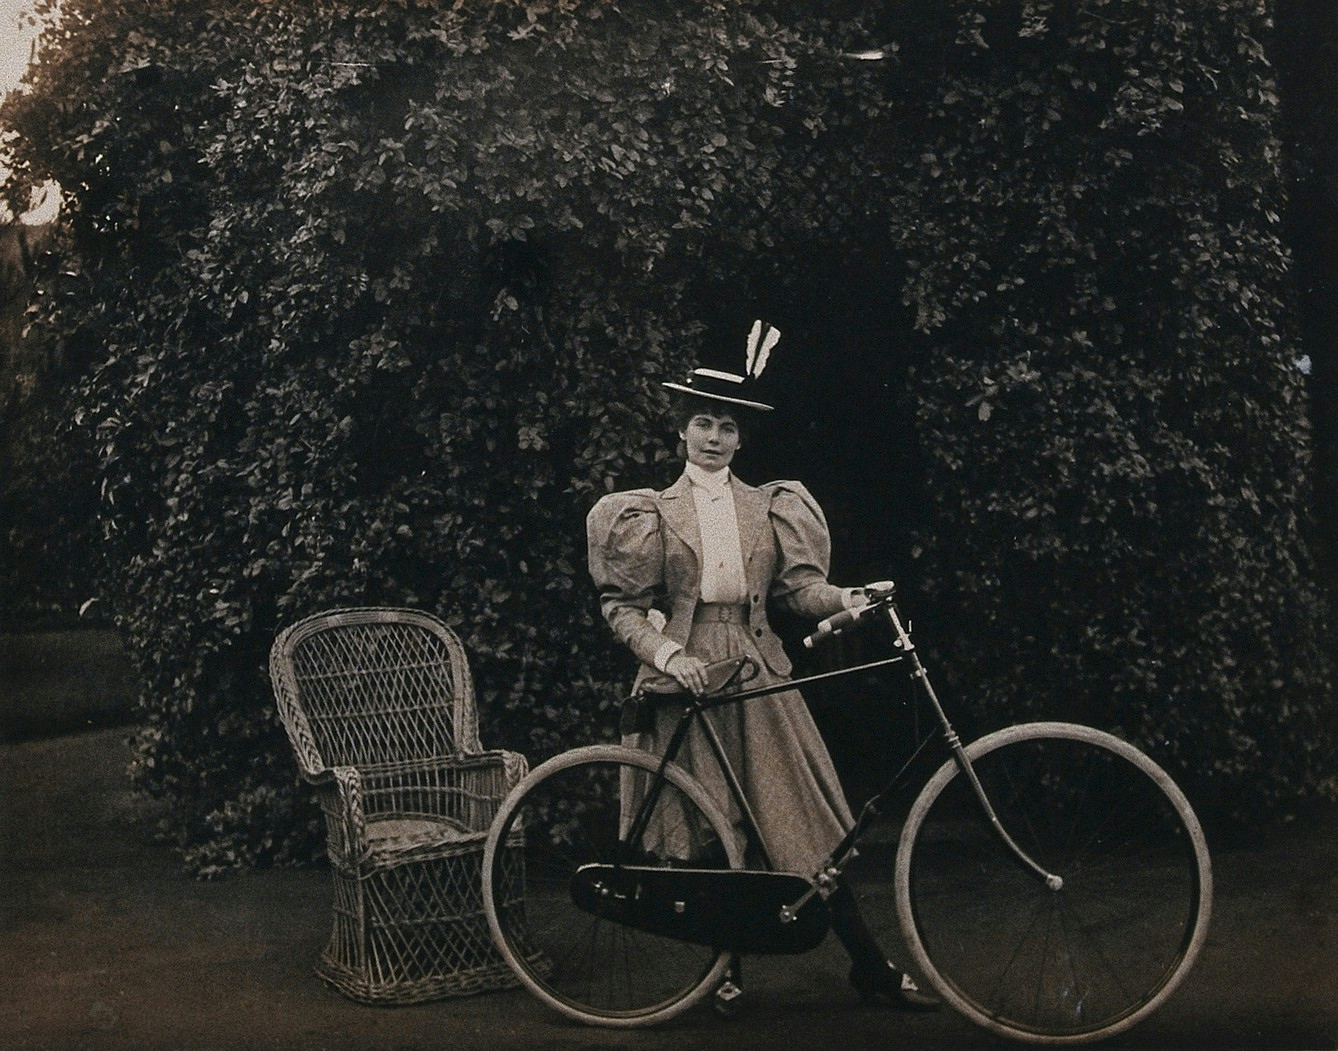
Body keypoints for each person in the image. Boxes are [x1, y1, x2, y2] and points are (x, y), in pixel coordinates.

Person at [585, 322, 939, 1014]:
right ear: (682, 432)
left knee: (802, 822)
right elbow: (621, 607)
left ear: (741, 438)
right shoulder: (649, 513)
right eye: (702, 423)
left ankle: (870, 965)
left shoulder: (767, 506)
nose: (713, 437)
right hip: (688, 675)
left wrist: (848, 597)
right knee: (720, 829)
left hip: (757, 673)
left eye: (725, 427)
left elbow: (800, 592)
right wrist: (669, 653)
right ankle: (726, 972)